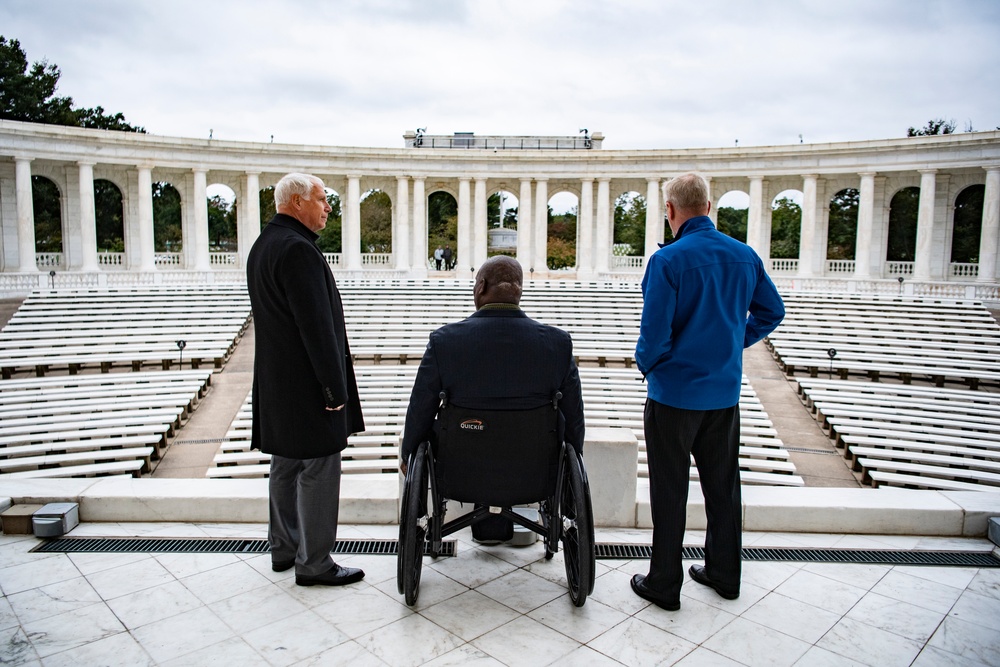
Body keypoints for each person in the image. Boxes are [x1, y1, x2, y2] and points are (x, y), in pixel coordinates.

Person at [632, 173, 784, 611]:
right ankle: (724, 573)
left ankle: (664, 581)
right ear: (710, 207)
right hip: (723, 394)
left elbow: (654, 336)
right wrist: (732, 340)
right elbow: (773, 311)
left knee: (669, 488)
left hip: (674, 395)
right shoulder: (744, 255)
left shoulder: (668, 261)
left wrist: (648, 364)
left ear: (671, 211)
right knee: (723, 488)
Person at [400, 256, 586, 539]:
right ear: (519, 291)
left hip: (460, 472)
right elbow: (574, 415)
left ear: (481, 287)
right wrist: (576, 456)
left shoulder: (444, 341)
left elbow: (420, 409)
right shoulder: (558, 344)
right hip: (535, 473)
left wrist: (408, 454)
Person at [247, 172, 366, 587]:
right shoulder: (298, 250)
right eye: (321, 199)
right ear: (297, 202)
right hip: (307, 386)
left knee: (285, 464)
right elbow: (316, 329)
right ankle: (314, 562)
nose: (327, 207)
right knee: (318, 466)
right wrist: (334, 390)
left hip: (277, 383)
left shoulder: (264, 245)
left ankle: (283, 548)